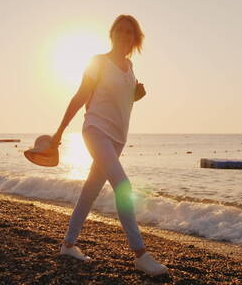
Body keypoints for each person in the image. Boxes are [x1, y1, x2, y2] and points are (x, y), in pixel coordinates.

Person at [51, 14, 168, 276]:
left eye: (129, 32)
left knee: (90, 191)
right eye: (119, 30)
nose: (123, 35)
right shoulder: (98, 62)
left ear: (135, 39)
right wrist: (59, 132)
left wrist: (135, 96)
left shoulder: (130, 68)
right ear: (112, 34)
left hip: (117, 139)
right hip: (95, 130)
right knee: (123, 186)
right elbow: (81, 95)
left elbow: (117, 101)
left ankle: (68, 244)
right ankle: (140, 254)